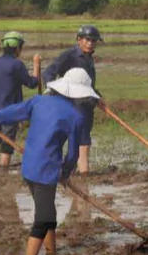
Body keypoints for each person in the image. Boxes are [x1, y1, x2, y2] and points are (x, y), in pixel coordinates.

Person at [0, 67, 97, 255]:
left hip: (29, 167)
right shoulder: (76, 117)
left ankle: (51, 254)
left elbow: (13, 112)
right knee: (43, 219)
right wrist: (65, 173)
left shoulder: (38, 101)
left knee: (48, 213)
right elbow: (73, 154)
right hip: (46, 171)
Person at [42, 25, 104, 175]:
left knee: (83, 138)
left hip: (86, 105)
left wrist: (98, 97)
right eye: (88, 40)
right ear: (79, 40)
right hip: (70, 105)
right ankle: (62, 170)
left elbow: (86, 83)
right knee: (66, 137)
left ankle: (82, 172)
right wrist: (52, 90)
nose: (91, 43)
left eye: (94, 41)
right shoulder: (69, 55)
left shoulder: (89, 58)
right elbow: (48, 73)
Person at [0, 31, 40, 167]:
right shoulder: (17, 65)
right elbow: (32, 83)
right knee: (7, 144)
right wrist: (36, 65)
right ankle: (3, 171)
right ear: (18, 48)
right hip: (11, 111)